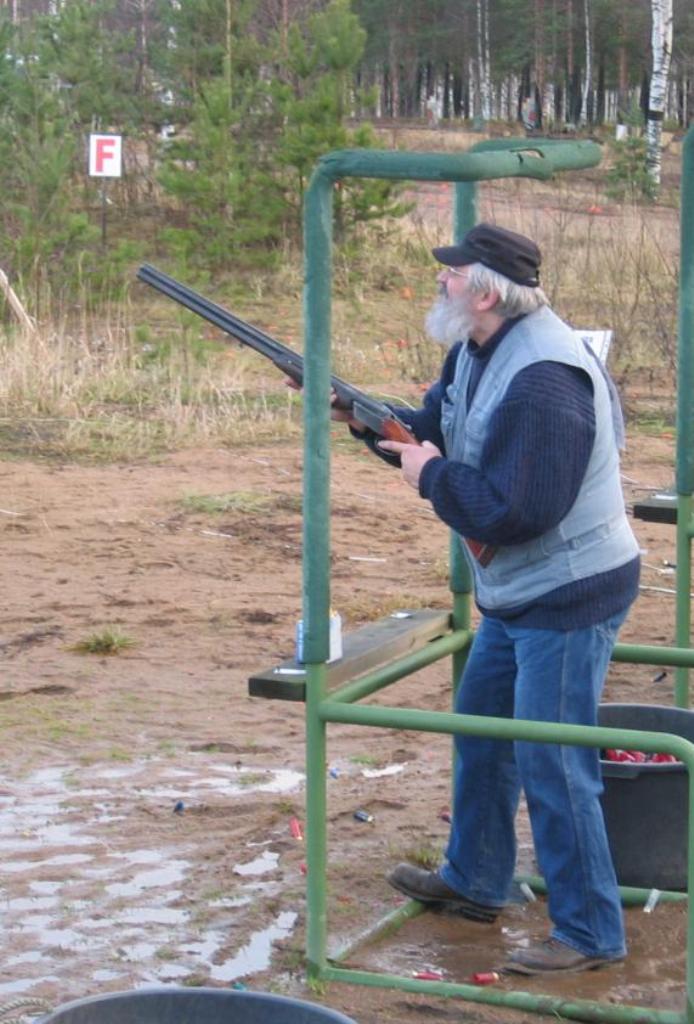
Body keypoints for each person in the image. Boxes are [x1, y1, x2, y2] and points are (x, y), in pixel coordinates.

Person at [332, 222, 640, 975]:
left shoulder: (545, 381)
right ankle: (475, 880)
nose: (441, 280)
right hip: (519, 588)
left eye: (453, 272)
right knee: (483, 735)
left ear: (487, 292)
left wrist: (432, 477)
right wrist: (363, 418)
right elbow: (432, 431)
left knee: (554, 762)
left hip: (569, 591)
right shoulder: (475, 349)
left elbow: (517, 511)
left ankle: (590, 933)